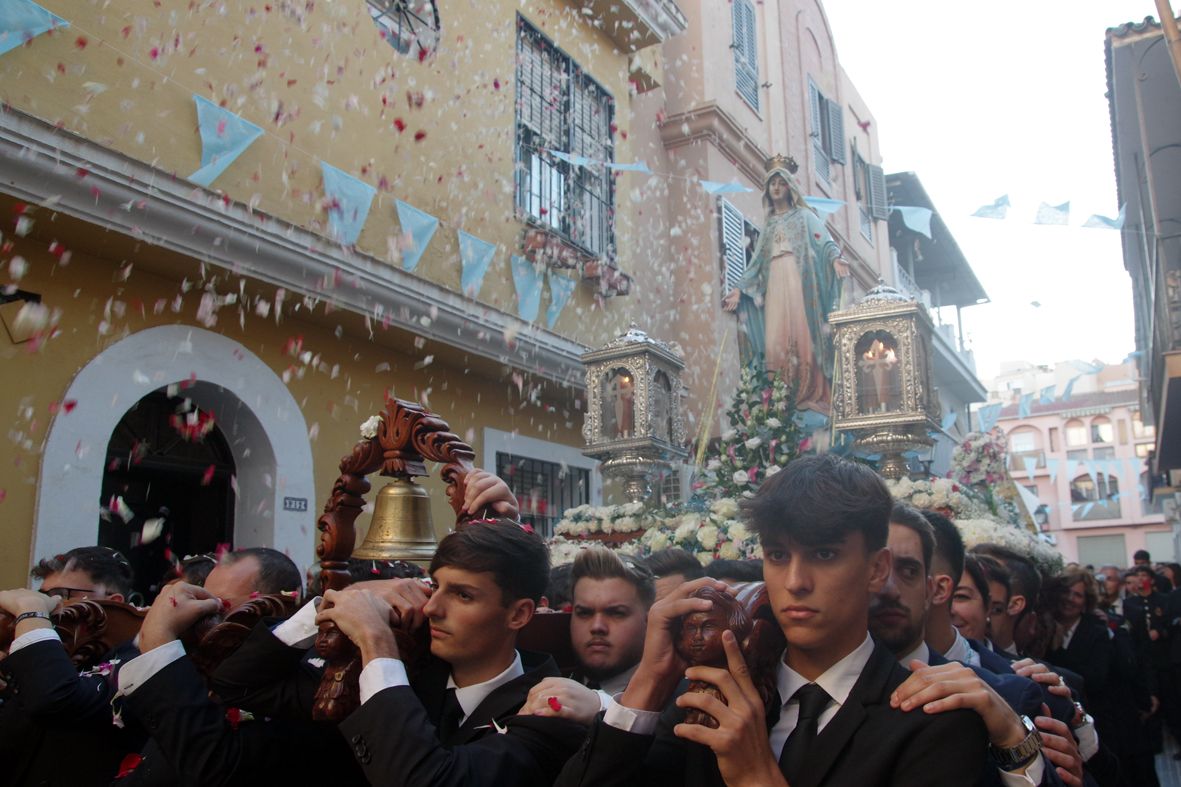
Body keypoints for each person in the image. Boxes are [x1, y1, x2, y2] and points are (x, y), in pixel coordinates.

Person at [556, 454, 988, 787]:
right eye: (778, 555)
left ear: (877, 569)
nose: (796, 582)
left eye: (825, 554)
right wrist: (650, 682)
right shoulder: (710, 699)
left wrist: (756, 778)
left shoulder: (933, 722)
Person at [211, 470, 587, 787]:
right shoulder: (408, 669)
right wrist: (341, 599)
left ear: (519, 615)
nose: (433, 606)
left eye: (463, 595)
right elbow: (237, 683)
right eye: (435, 585)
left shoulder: (548, 716)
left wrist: (376, 643)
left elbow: (428, 780)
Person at [869, 504, 1082, 785]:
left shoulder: (1013, 696)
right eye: (873, 570)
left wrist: (1017, 743)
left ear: (934, 589)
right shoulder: (805, 691)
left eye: (908, 570)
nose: (888, 588)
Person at [0, 546, 139, 786]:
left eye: (60, 594)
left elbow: (53, 697)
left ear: (111, 603)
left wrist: (31, 610)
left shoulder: (135, 663)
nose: (49, 606)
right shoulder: (39, 662)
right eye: (42, 596)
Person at [722, 155, 849, 413]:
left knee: (802, 335)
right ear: (767, 190)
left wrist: (835, 259)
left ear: (790, 186)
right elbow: (755, 264)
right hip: (775, 287)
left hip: (798, 283)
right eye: (772, 184)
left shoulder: (803, 216)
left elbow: (824, 241)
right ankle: (780, 395)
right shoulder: (768, 227)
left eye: (781, 182)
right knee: (774, 340)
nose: (777, 188)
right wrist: (738, 289)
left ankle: (808, 392)